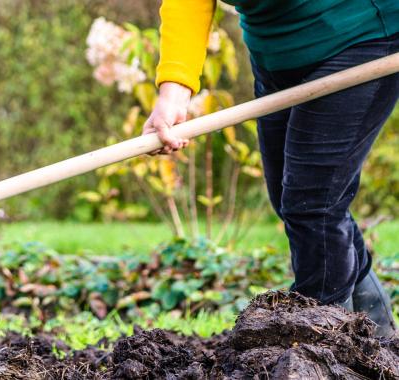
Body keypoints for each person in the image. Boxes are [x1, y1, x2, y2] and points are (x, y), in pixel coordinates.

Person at [143, 0, 398, 337]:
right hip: (276, 54)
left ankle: (323, 345)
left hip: (359, 37)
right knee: (292, 199)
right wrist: (174, 94)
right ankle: (378, 337)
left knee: (314, 204)